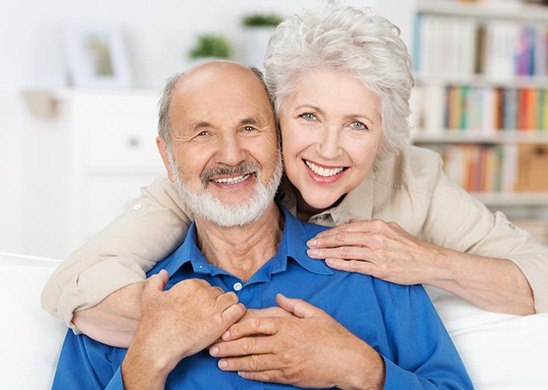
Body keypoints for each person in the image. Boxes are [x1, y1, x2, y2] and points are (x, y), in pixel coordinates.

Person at [43, 4, 548, 348]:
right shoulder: (223, 179)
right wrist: (203, 324)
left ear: (385, 132)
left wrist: (430, 262)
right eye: (309, 116)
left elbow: (538, 277)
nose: (329, 149)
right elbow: (77, 281)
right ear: (274, 115)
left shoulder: (413, 175)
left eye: (357, 124)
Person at [53, 61, 472, 389]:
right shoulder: (118, 306)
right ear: (167, 157)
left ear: (279, 139)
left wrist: (360, 368)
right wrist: (145, 364)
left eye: (249, 128)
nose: (231, 155)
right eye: (202, 134)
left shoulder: (374, 270)